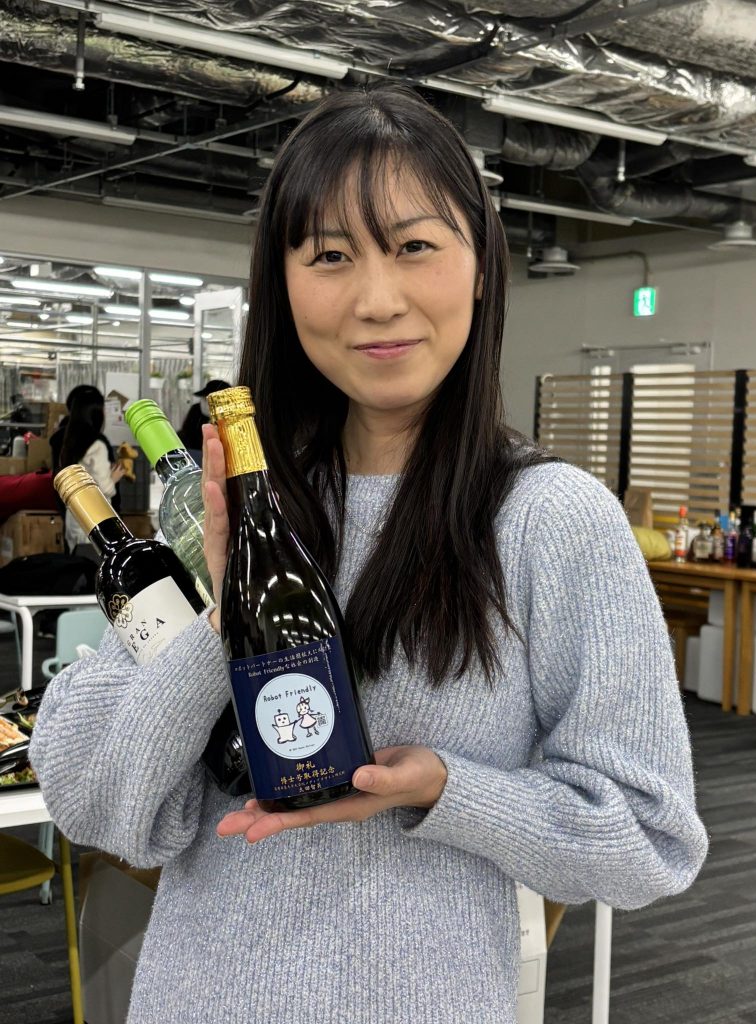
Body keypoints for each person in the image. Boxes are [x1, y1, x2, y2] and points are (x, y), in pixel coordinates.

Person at [30, 86, 707, 1024]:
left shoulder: (550, 520)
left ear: (482, 267)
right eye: (330, 256)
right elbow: (92, 800)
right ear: (282, 283)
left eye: (415, 246)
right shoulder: (230, 504)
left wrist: (446, 790)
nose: (377, 300)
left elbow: (649, 838)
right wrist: (225, 617)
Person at [56, 385, 125, 558]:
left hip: (75, 516)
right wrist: (114, 477)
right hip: (95, 518)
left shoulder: (70, 442)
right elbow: (105, 488)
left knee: (78, 566)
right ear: (95, 413)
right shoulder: (98, 445)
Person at [177, 379, 231, 464]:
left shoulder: (231, 419)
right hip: (195, 455)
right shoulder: (196, 410)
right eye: (204, 399)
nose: (204, 403)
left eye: (209, 400)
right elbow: (187, 434)